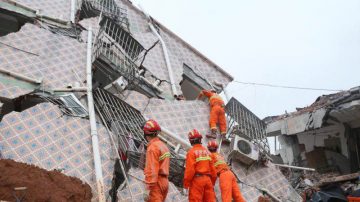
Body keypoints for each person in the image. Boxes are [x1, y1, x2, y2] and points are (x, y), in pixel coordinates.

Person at [183, 129, 217, 202]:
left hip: (197, 181)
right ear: (200, 139)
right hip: (208, 181)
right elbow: (214, 172)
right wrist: (212, 183)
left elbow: (190, 171)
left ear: (191, 141)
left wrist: (186, 185)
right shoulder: (208, 152)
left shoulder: (191, 153)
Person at [143, 119, 170, 202]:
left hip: (155, 184)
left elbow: (152, 170)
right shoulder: (163, 146)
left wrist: (148, 188)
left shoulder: (152, 148)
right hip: (165, 182)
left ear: (145, 133)